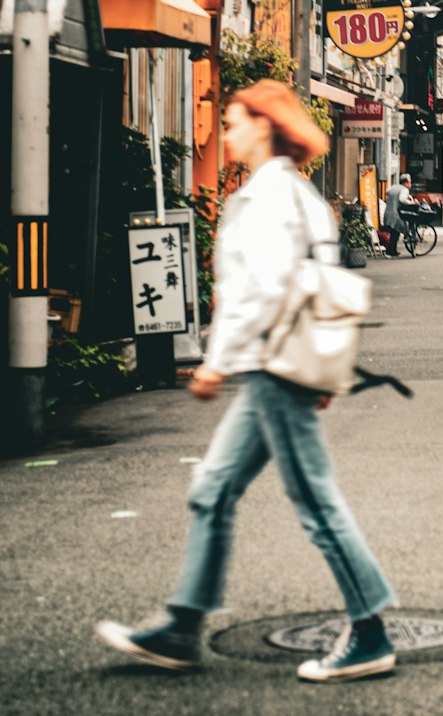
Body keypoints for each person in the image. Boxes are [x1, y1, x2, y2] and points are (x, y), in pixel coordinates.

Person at [95, 81, 397, 683]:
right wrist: (323, 364)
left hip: (270, 364)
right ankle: (182, 626)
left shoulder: (265, 199)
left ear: (263, 125)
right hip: (287, 362)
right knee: (212, 487)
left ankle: (369, 631)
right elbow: (320, 280)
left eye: (233, 120)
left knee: (313, 498)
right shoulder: (300, 194)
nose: (225, 130)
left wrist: (216, 360)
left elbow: (256, 294)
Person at [383, 172, 413, 256]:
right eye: (410, 182)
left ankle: (393, 251)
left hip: (388, 212)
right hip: (396, 214)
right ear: (406, 182)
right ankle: (390, 252)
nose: (410, 184)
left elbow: (387, 192)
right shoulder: (404, 190)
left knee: (394, 233)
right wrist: (410, 203)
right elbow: (402, 199)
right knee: (395, 232)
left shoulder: (394, 187)